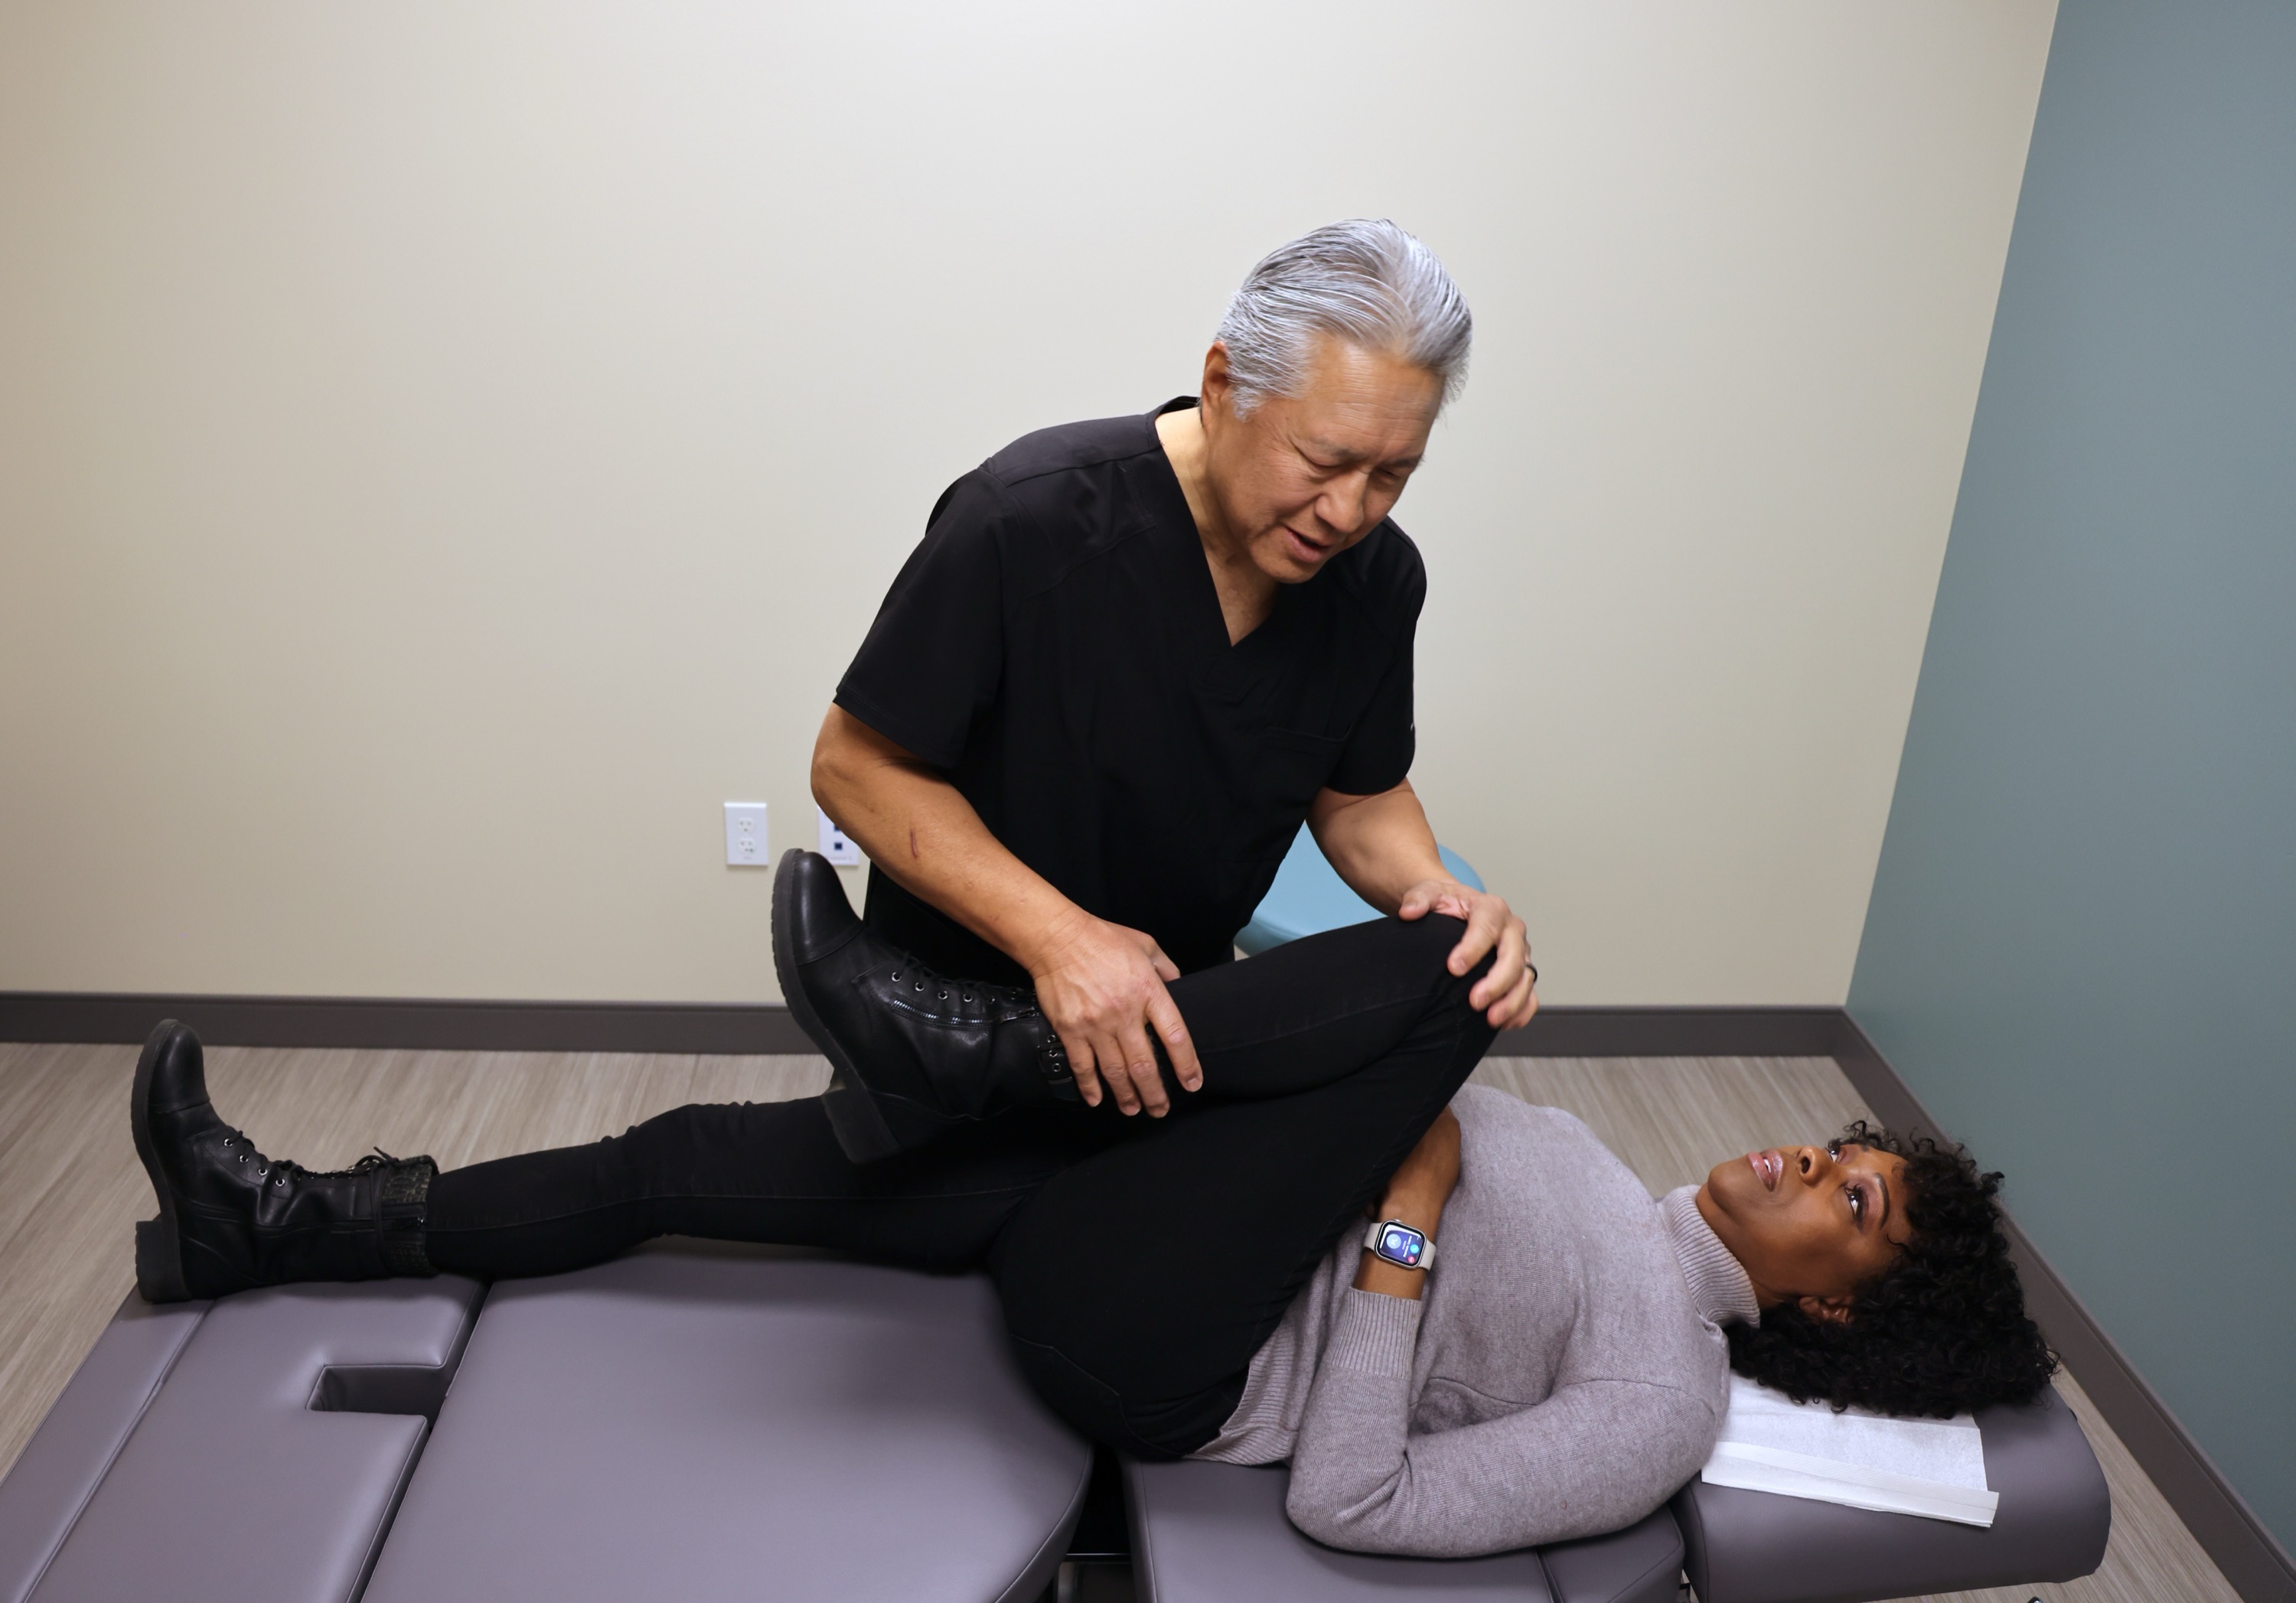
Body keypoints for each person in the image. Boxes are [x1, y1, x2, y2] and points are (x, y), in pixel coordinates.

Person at [128, 853, 2055, 1559]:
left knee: (1447, 978)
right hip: (1127, 1201)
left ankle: (984, 1054)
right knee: (688, 1160)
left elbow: (1356, 1502)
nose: (1807, 1159)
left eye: (1850, 1199)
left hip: (1161, 1347)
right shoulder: (1607, 1187)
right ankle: (285, 1220)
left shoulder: (1659, 1400)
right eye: (1840, 1148)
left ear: (1827, 1304)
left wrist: (1400, 1227)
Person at [809, 218, 1539, 1154]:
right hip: (948, 1023)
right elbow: (855, 765)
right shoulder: (1025, 519)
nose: (1348, 511)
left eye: (1392, 474)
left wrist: (1436, 891)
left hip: (1167, 1030)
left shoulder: (1377, 580)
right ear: (1224, 384)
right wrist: (1061, 940)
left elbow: (1359, 799)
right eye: (1322, 461)